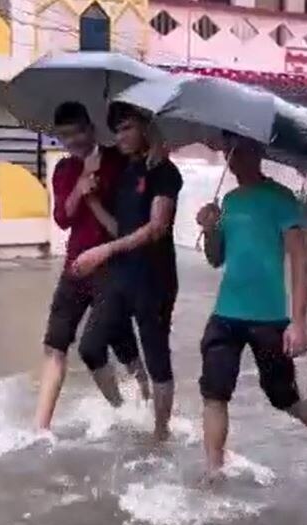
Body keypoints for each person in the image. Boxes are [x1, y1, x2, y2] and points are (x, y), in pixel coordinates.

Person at [195, 133, 307, 478]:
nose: (233, 157)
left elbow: (301, 261)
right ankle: (213, 473)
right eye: (229, 151)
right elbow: (215, 259)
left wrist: (298, 322)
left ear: (257, 152)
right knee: (214, 393)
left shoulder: (281, 199)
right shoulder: (229, 201)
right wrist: (210, 229)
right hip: (225, 314)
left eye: (241, 149)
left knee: (284, 398)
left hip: (269, 319)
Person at [71, 103, 182, 442]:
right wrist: (91, 202)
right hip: (121, 277)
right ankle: (125, 413)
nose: (120, 137)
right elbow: (122, 228)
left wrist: (103, 250)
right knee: (90, 346)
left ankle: (161, 433)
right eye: (117, 130)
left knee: (157, 357)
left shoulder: (164, 172)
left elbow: (156, 228)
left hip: (155, 279)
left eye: (127, 128)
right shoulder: (128, 172)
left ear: (146, 128)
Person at [34, 102, 149, 431]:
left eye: (79, 132)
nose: (74, 141)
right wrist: (82, 183)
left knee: (120, 348)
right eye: (65, 136)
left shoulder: (119, 162)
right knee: (55, 345)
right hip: (75, 268)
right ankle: (41, 428)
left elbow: (126, 228)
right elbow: (62, 218)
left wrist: (96, 195)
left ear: (91, 128)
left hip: (113, 270)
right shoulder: (64, 171)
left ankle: (147, 410)